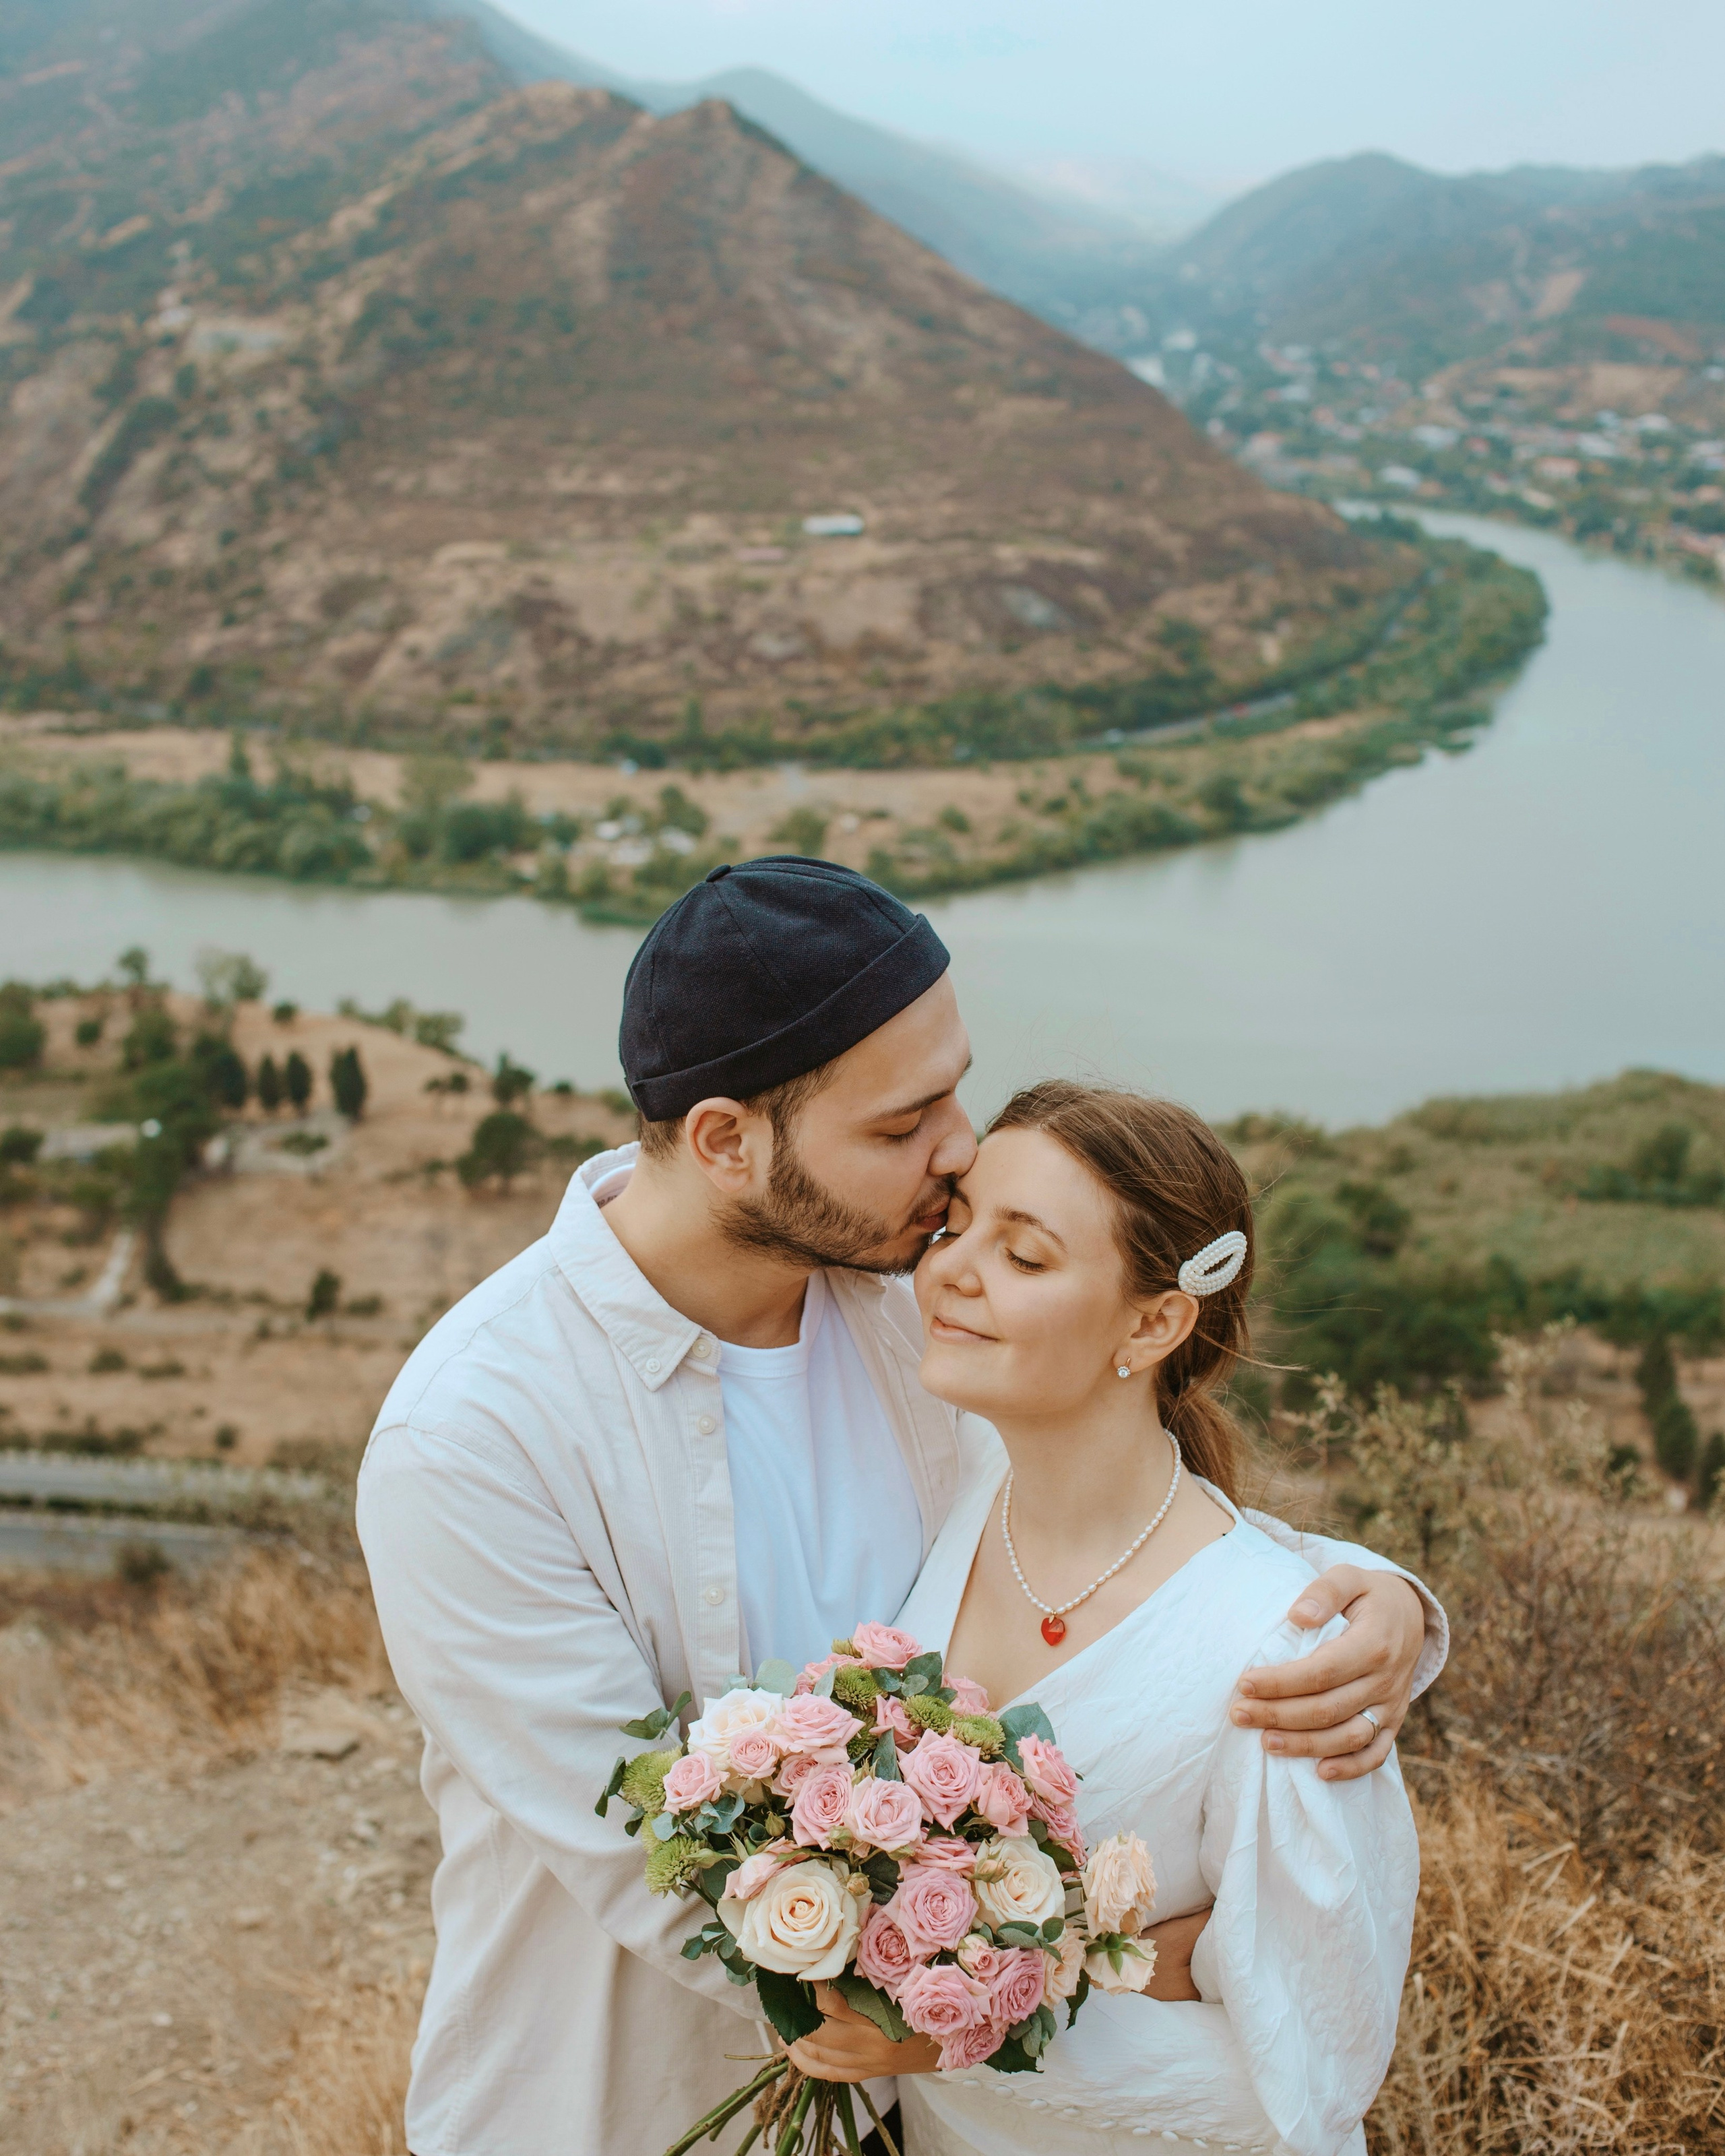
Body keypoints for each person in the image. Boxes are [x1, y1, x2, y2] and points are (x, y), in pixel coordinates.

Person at [356, 860, 1443, 2156]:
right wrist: (1104, 1960)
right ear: (725, 1141)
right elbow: (658, 1864)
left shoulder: (915, 1314)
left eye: (955, 1089)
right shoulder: (475, 1440)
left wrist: (1367, 1599)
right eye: (900, 1125)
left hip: (926, 2122)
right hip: (621, 2113)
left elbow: (1105, 1499)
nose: (959, 1152)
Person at [789, 1079, 1420, 2156]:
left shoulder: (1283, 1658)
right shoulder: (949, 1489)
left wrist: (974, 2028)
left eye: (1025, 1256)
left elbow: (1308, 2073)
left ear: (1157, 1320)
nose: (950, 1270)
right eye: (956, 1225)